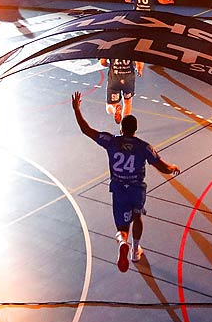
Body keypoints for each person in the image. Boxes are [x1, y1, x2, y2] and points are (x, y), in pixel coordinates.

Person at [71, 91, 179, 272]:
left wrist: (77, 109)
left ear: (121, 128)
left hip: (119, 189)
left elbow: (86, 130)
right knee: (137, 217)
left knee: (122, 225)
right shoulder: (144, 146)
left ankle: (122, 241)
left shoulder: (111, 141)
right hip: (136, 190)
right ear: (135, 130)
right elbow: (161, 166)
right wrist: (173, 167)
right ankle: (135, 251)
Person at [103, 56, 144, 123]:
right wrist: (139, 69)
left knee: (109, 108)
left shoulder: (110, 46)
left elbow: (102, 62)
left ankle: (114, 109)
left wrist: (108, 65)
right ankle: (124, 127)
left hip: (114, 78)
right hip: (128, 80)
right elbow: (140, 61)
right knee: (127, 102)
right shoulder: (132, 46)